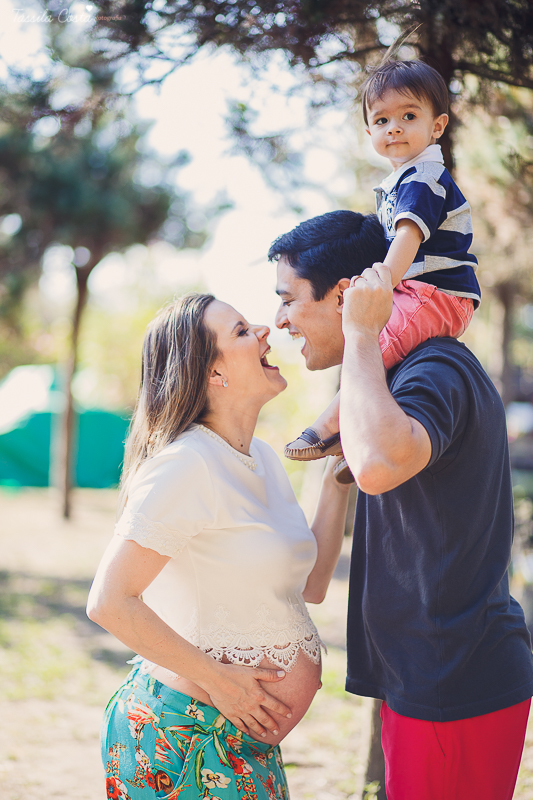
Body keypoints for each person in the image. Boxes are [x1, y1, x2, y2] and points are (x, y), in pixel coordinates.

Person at [271, 215, 533, 799]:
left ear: (345, 294)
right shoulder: (391, 380)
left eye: (287, 300)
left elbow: (380, 466)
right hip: (429, 678)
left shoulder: (433, 370)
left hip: (452, 683)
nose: (280, 320)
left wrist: (362, 336)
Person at [87, 292, 351, 800]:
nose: (264, 331)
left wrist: (335, 479)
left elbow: (311, 584)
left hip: (242, 744)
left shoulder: (264, 461)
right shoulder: (187, 464)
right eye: (240, 331)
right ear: (213, 375)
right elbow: (109, 602)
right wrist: (222, 682)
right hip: (182, 737)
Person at [283, 59, 481, 483]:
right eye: (382, 119)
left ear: (437, 126)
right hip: (424, 291)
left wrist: (381, 284)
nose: (394, 127)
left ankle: (328, 426)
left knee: (375, 343)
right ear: (369, 132)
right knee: (382, 354)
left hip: (437, 293)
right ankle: (360, 436)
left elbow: (408, 236)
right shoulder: (401, 181)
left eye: (409, 116)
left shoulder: (424, 179)